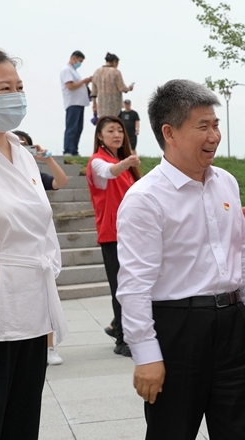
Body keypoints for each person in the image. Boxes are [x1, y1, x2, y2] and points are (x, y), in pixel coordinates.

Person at [116, 79, 245, 440]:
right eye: (203, 126)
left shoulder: (225, 182)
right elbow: (134, 285)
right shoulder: (145, 199)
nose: (214, 136)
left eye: (215, 125)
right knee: (171, 436)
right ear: (169, 133)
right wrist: (146, 355)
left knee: (241, 436)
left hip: (231, 325)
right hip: (178, 329)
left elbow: (242, 251)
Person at [0, 45, 68, 440]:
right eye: (4, 88)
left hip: (29, 317)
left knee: (20, 433)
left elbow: (41, 231)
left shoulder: (21, 155)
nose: (17, 96)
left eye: (19, 87)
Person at [86, 116, 141, 358]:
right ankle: (122, 339)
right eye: (110, 131)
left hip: (133, 234)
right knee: (121, 288)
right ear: (100, 136)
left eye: (120, 130)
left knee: (133, 286)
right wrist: (126, 163)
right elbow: (108, 173)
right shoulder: (98, 162)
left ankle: (115, 325)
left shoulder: (124, 164)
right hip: (113, 235)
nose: (117, 134)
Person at [14, 129, 69, 366]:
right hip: (14, 245)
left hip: (38, 244)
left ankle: (49, 347)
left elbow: (61, 182)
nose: (20, 148)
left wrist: (47, 159)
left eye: (24, 145)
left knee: (44, 300)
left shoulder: (34, 174)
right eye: (16, 143)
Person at [60, 50, 92, 155]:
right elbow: (70, 86)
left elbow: (78, 85)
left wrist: (85, 83)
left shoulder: (74, 71)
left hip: (80, 103)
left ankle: (74, 150)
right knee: (72, 127)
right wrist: (83, 81)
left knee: (78, 128)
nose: (80, 63)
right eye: (79, 61)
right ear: (74, 58)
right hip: (73, 103)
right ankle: (68, 150)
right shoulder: (66, 70)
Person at [91, 52, 134, 118]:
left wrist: (94, 103)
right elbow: (122, 88)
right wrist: (129, 88)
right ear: (115, 61)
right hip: (114, 107)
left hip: (102, 107)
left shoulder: (97, 72)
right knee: (115, 123)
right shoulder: (116, 72)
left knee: (104, 123)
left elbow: (94, 91)